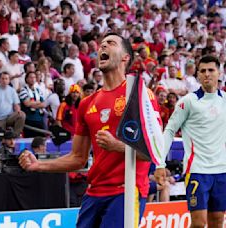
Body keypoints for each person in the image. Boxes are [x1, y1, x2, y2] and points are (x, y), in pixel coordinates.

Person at [19, 33, 156, 227]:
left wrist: (117, 146)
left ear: (126, 57)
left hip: (126, 191)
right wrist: (39, 165)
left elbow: (153, 152)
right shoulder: (87, 103)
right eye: (101, 45)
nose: (103, 47)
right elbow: (78, 158)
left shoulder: (140, 94)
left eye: (111, 43)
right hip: (94, 192)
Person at [155, 55, 226, 228]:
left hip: (222, 171)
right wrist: (160, 163)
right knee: (199, 223)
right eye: (203, 71)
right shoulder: (188, 101)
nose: (207, 74)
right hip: (197, 171)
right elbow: (169, 130)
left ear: (219, 73)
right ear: (198, 76)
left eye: (211, 70)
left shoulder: (224, 99)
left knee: (217, 221)